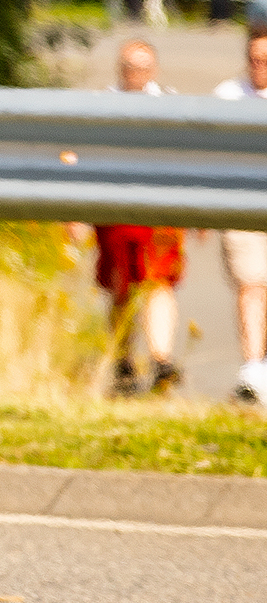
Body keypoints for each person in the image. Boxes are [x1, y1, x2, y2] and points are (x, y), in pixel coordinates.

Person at [94, 39, 186, 394]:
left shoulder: (169, 104)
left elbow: (183, 157)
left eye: (143, 67)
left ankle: (161, 359)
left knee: (160, 280)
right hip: (115, 209)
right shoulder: (104, 103)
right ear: (120, 69)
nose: (137, 74)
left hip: (160, 208)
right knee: (121, 285)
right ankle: (124, 361)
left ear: (154, 70)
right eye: (130, 67)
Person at [216, 33, 267, 402]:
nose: (259, 66)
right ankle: (251, 366)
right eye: (254, 58)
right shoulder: (228, 96)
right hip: (243, 203)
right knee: (251, 283)